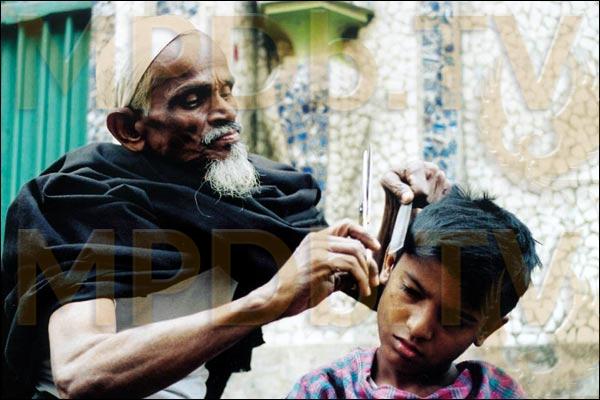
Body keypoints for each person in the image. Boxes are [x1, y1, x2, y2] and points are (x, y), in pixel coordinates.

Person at [1, 25, 451, 398]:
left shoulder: (258, 193)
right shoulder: (87, 196)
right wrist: (268, 299)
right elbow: (80, 372)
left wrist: (405, 212)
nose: (225, 113)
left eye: (227, 91)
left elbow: (368, 285)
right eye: (193, 100)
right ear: (130, 128)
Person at [287, 186, 541, 399]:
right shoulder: (325, 390)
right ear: (389, 265)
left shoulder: (495, 393)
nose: (419, 327)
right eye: (411, 292)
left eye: (455, 319)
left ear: (488, 328)